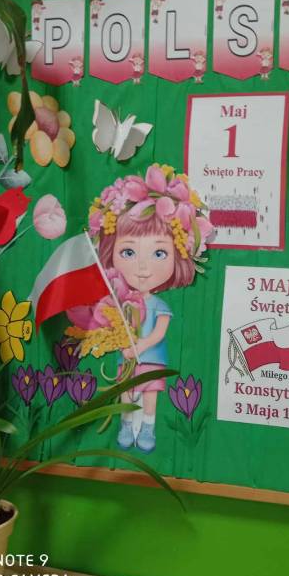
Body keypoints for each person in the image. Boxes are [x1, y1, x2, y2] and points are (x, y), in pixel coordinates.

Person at [89, 165, 214, 453]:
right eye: (128, 252)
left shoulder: (159, 305)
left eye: (159, 253)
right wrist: (123, 345)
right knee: (126, 392)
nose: (143, 268)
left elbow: (159, 332)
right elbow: (113, 328)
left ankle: (147, 427)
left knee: (150, 395)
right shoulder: (120, 303)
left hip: (151, 358)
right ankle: (125, 425)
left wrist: (140, 345)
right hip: (127, 358)